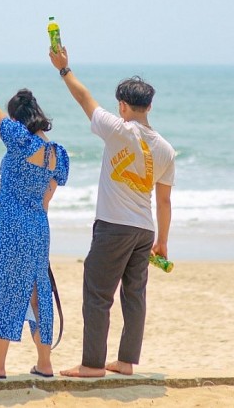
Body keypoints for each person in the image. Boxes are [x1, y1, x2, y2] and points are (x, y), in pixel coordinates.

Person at [49, 45, 175, 378]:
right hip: (144, 229)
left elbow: (84, 98)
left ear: (122, 105)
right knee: (134, 296)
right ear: (149, 105)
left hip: (114, 226)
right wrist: (162, 241)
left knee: (98, 293)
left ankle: (92, 364)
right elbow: (164, 201)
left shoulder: (118, 128)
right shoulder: (166, 149)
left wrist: (64, 68)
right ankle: (125, 362)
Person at [0, 53, 69, 379]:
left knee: (6, 288)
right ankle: (45, 364)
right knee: (39, 289)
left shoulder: (19, 140)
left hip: (10, 222)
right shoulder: (57, 155)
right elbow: (47, 196)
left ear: (17, 119)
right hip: (38, 224)